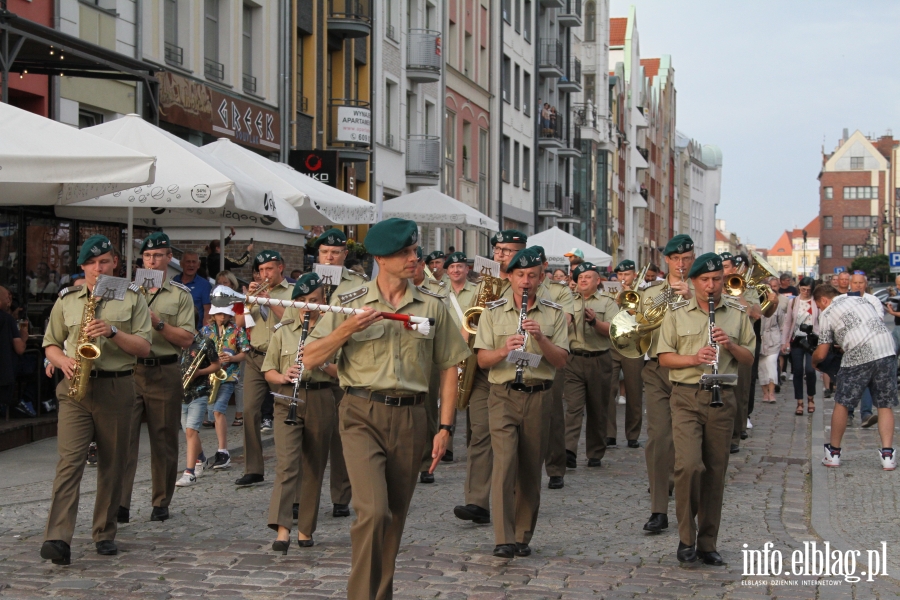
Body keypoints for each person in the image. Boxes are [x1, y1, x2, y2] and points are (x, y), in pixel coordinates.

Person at [303, 218, 469, 600]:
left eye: (415, 251)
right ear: (381, 258)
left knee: (393, 519)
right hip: (361, 412)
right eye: (406, 253)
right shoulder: (348, 302)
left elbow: (449, 366)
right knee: (373, 513)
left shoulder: (432, 306)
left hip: (412, 417)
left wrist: (444, 427)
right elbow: (310, 356)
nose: (415, 258)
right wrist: (347, 330)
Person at [40, 235, 152, 565]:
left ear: (115, 262)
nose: (97, 268)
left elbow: (144, 348)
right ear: (83, 267)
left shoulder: (132, 299)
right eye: (90, 264)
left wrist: (113, 332)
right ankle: (58, 537)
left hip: (116, 388)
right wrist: (61, 361)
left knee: (112, 463)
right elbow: (50, 343)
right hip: (76, 389)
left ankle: (104, 531)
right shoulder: (68, 299)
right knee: (69, 463)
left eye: (103, 262)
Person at [657, 252, 756, 565]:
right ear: (694, 282)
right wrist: (693, 359)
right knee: (688, 465)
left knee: (715, 471)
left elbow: (749, 358)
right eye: (705, 280)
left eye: (717, 280)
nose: (712, 286)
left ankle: (707, 542)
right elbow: (664, 357)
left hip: (722, 396)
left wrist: (729, 345)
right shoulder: (677, 313)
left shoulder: (737, 313)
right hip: (686, 395)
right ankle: (686, 536)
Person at [474, 247, 569, 559]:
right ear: (510, 277)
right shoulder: (492, 311)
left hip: (538, 395)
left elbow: (561, 361)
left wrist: (541, 338)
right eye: (519, 275)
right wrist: (504, 350)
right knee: (504, 464)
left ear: (541, 278)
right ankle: (503, 537)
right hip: (502, 395)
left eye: (531, 276)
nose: (525, 281)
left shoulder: (554, 313)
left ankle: (522, 535)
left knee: (529, 467)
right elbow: (483, 361)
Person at [289, 228, 367, 517]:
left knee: (342, 437)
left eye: (335, 252)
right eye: (324, 252)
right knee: (303, 441)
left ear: (344, 255)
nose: (330, 257)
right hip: (312, 363)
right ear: (317, 255)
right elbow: (289, 319)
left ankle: (341, 496)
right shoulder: (304, 283)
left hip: (343, 365)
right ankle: (299, 497)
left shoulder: (359, 284)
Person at [119, 233, 196, 524]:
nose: (152, 261)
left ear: (168, 259)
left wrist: (158, 322)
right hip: (130, 367)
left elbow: (187, 338)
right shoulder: (127, 291)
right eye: (148, 256)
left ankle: (161, 500)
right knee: (123, 438)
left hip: (164, 369)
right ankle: (120, 503)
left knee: (163, 437)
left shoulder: (180, 295)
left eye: (158, 256)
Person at [453, 229, 526, 527]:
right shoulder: (480, 286)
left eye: (507, 251)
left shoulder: (527, 285)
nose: (500, 255)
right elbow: (465, 324)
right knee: (480, 433)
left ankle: (514, 497)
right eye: (497, 250)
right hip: (481, 368)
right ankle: (477, 501)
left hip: (512, 371)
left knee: (514, 440)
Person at [263, 273, 338, 550]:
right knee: (287, 464)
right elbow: (268, 370)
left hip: (320, 398)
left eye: (314, 300)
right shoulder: (283, 329)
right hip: (287, 399)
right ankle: (282, 529)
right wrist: (283, 376)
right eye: (303, 301)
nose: (308, 306)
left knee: (314, 467)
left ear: (323, 300)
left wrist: (321, 364)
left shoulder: (334, 331)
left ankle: (305, 529)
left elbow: (343, 372)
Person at [641, 234, 694, 535]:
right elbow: (644, 322)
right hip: (658, 369)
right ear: (667, 261)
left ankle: (688, 506)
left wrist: (690, 296)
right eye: (676, 259)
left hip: (690, 371)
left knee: (686, 444)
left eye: (686, 259)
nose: (682, 264)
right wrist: (668, 296)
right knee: (660, 437)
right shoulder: (652, 292)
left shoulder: (703, 290)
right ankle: (658, 509)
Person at [814, 284, 897, 470]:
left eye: (819, 305)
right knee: (884, 404)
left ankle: (833, 453)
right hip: (886, 349)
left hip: (859, 356)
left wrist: (814, 362)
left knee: (843, 402)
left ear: (824, 300)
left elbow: (821, 353)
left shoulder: (827, 313)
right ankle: (887, 455)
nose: (820, 309)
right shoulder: (860, 299)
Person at [235, 250, 292, 487]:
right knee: (249, 410)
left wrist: (269, 300)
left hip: (280, 359)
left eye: (269, 269)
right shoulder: (252, 293)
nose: (264, 275)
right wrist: (248, 301)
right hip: (255, 357)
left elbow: (291, 320)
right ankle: (254, 468)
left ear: (281, 267)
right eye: (260, 271)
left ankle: (287, 464)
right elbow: (238, 323)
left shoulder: (292, 293)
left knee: (285, 410)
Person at [564, 261, 619, 471]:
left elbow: (614, 331)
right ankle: (569, 450)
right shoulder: (568, 301)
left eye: (588, 277)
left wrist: (595, 322)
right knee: (573, 407)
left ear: (598, 280)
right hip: (573, 359)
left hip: (600, 359)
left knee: (598, 408)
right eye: (580, 278)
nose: (583, 280)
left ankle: (595, 452)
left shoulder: (607, 302)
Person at [201, 304, 249, 471]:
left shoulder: (237, 330)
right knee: (208, 412)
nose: (222, 317)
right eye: (219, 314)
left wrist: (231, 358)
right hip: (209, 376)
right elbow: (198, 352)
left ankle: (223, 451)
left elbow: (245, 352)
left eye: (225, 314)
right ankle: (200, 455)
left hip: (228, 376)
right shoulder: (206, 330)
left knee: (218, 410)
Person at [176, 331, 221, 487]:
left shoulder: (205, 342)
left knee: (191, 431)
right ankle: (200, 457)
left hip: (199, 392)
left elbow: (217, 364)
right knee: (189, 432)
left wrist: (200, 372)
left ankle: (189, 472)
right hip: (181, 394)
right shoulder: (173, 341)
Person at [607, 260, 644, 449]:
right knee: (609, 389)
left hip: (633, 345)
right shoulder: (610, 292)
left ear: (634, 275)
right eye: (620, 275)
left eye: (626, 275)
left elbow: (641, 317)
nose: (622, 278)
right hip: (613, 344)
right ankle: (609, 434)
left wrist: (628, 297)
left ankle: (633, 434)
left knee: (634, 390)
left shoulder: (643, 293)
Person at [780, 277, 819, 416]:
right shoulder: (793, 302)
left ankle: (811, 398)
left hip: (812, 340)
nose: (806, 292)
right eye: (803, 289)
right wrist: (784, 341)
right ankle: (799, 402)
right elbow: (787, 322)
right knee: (797, 370)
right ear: (799, 288)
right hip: (796, 339)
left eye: (809, 290)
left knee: (810, 370)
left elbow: (820, 321)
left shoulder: (816, 301)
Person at [0, 285, 28, 417]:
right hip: (5, 374)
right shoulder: (7, 319)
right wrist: (24, 336)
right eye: (7, 299)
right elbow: (20, 349)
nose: (9, 302)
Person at [759, 277, 787, 403]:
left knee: (771, 365)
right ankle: (765, 393)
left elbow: (782, 323)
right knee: (761, 368)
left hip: (773, 339)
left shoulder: (777, 306)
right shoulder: (756, 304)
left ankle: (772, 393)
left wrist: (783, 341)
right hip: (760, 340)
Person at [173, 251, 212, 329]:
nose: (191, 265)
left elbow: (207, 311)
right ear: (181, 264)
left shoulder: (204, 285)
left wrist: (204, 334)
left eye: (194, 262)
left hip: (196, 332)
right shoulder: (174, 281)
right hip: (174, 330)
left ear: (198, 265)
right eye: (188, 262)